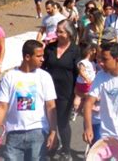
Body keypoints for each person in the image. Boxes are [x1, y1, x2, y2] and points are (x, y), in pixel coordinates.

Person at [0, 40, 58, 160]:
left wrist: (53, 131)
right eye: (39, 56)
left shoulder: (45, 77)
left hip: (38, 133)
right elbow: (2, 106)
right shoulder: (10, 76)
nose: (42, 59)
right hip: (14, 134)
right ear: (27, 57)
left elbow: (51, 106)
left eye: (43, 56)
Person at [42, 20, 80, 160]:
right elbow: (42, 67)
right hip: (48, 91)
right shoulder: (50, 48)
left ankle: (66, 150)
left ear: (69, 34)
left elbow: (79, 73)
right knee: (48, 119)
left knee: (62, 122)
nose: (57, 34)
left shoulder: (75, 50)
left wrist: (78, 96)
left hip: (66, 92)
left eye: (61, 32)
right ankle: (53, 143)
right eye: (57, 31)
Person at [72, 43, 98, 121]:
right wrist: (87, 79)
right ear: (91, 52)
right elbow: (81, 71)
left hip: (82, 83)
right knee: (89, 96)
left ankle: (76, 111)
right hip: (85, 83)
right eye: (95, 53)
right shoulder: (84, 62)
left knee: (79, 97)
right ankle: (91, 107)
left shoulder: (92, 63)